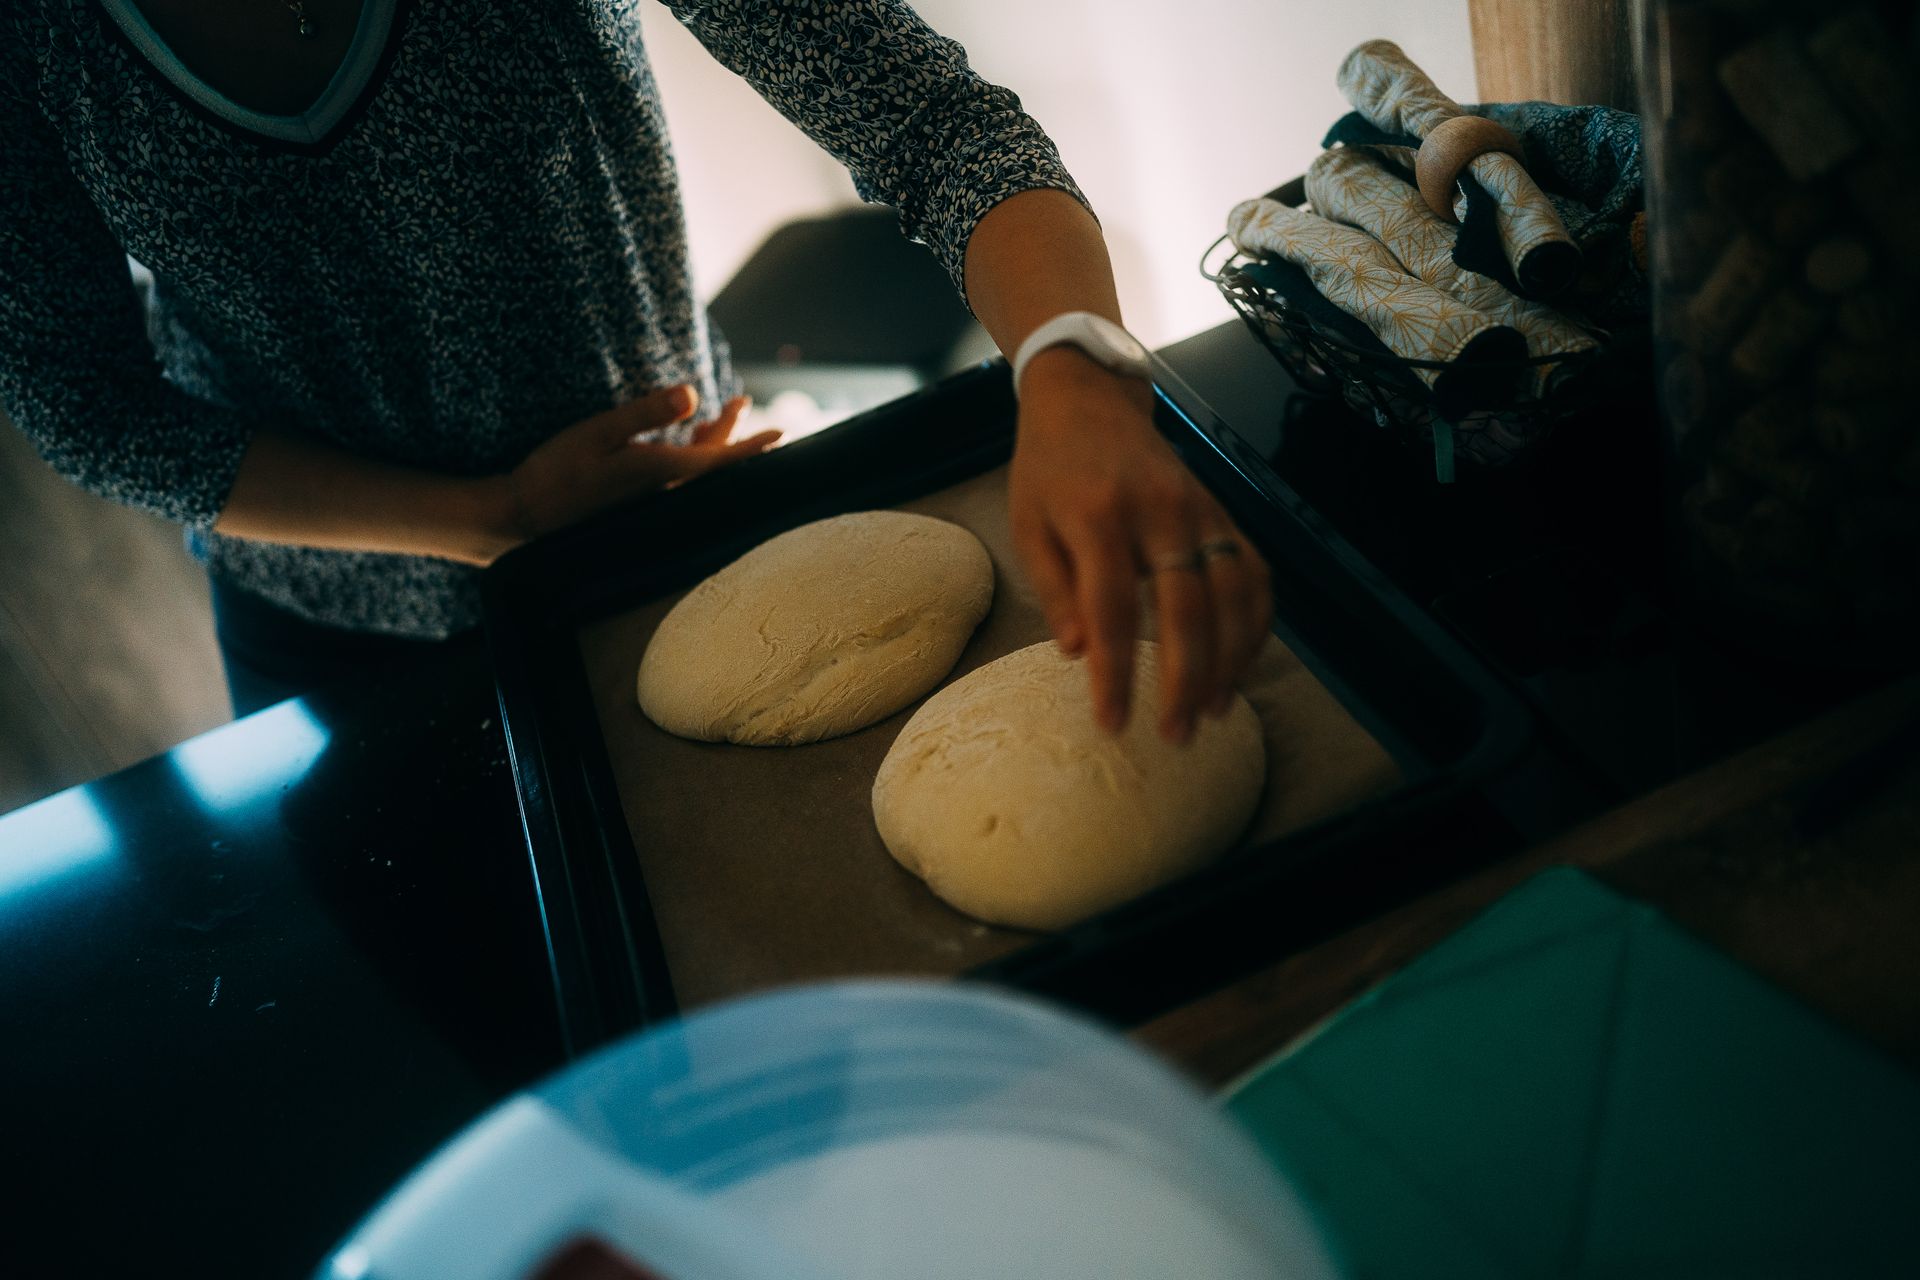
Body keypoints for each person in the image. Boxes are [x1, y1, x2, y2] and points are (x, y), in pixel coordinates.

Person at [1, 0, 1270, 742]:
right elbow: (78, 397)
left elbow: (925, 116)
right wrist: (489, 522)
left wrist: (1071, 364)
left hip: (661, 524)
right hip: (336, 617)